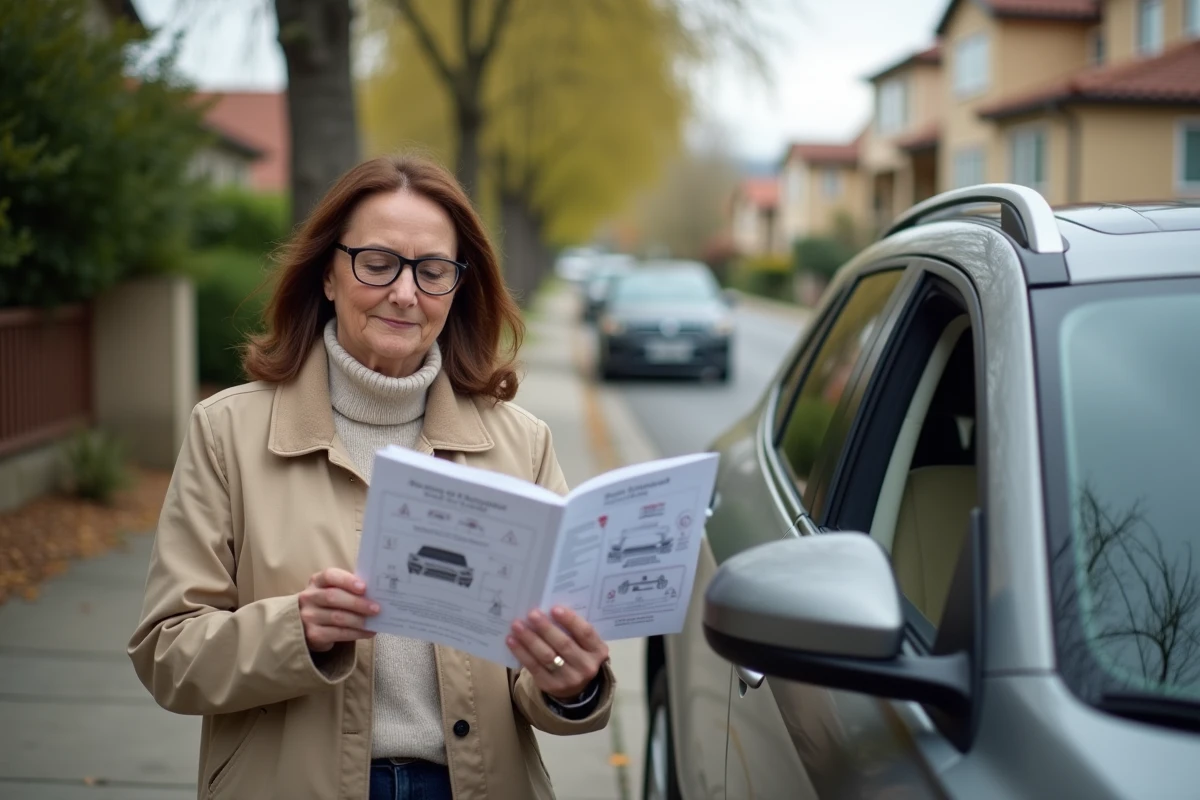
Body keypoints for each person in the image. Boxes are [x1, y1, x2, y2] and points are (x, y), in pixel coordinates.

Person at [128, 155, 615, 800]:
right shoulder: (227, 432)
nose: (405, 293)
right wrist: (296, 631)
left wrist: (570, 681)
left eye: (432, 271)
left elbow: (544, 658)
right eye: (378, 263)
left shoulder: (522, 444)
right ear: (328, 274)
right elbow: (167, 654)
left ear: (457, 287)